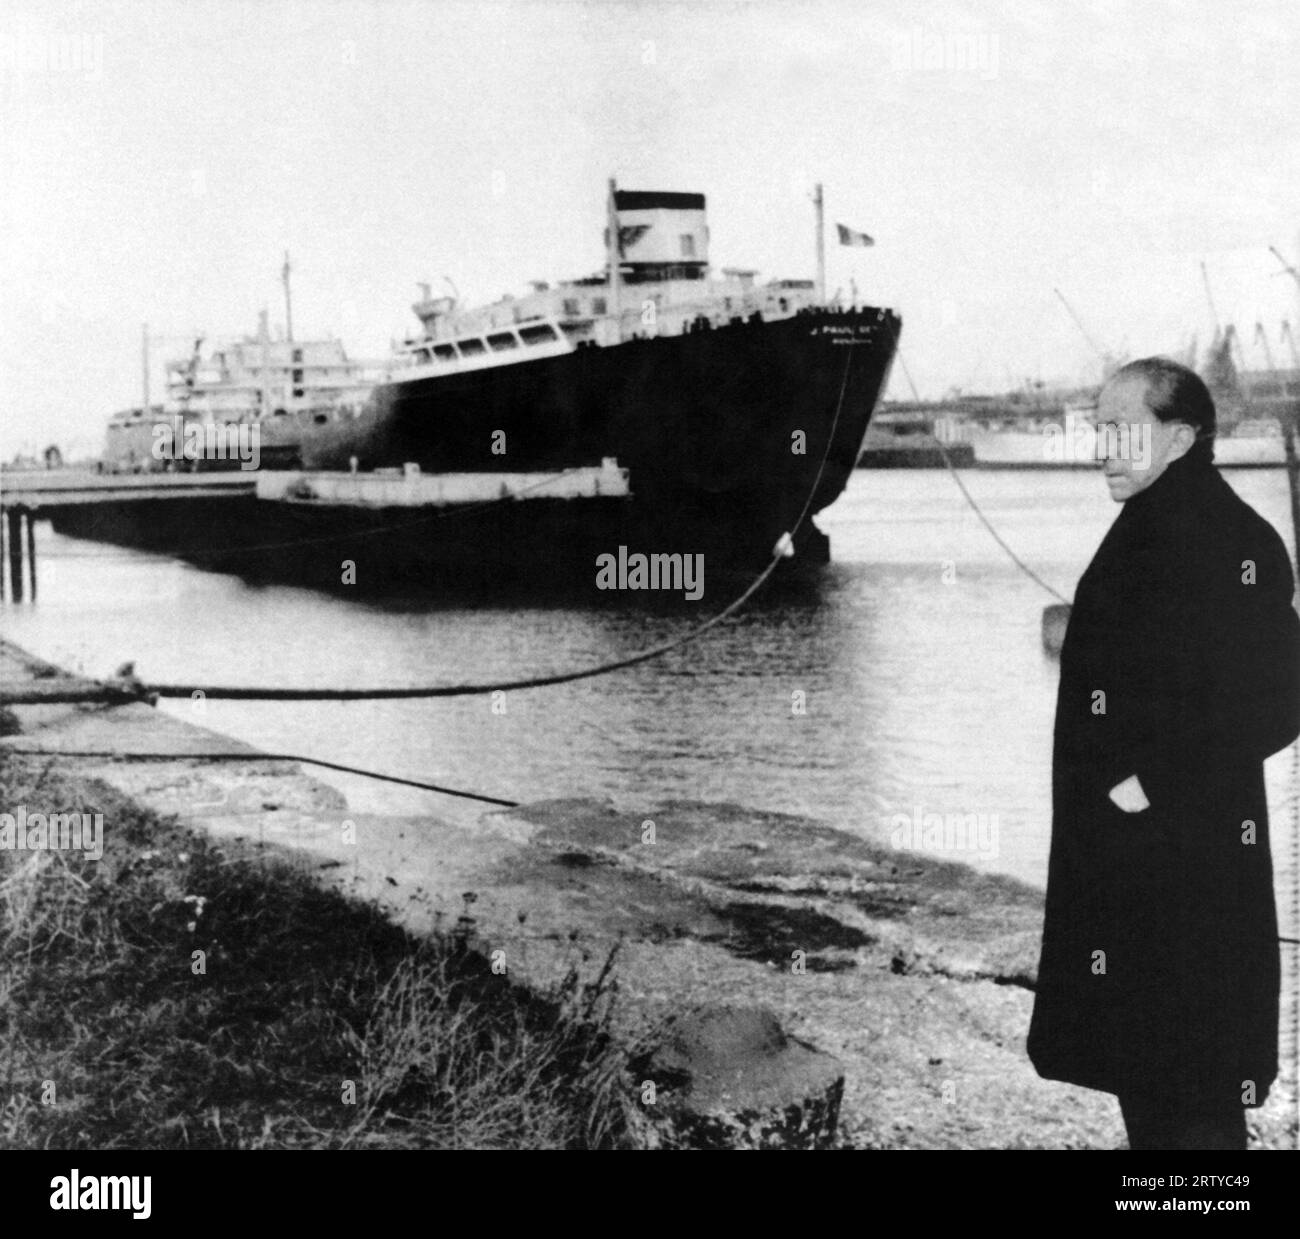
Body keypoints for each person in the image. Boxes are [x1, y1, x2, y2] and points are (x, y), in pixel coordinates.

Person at [1027, 357, 1300, 1150]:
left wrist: (1149, 782)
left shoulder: (1226, 539)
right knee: (1159, 1078)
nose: (1103, 449)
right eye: (1099, 430)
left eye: (1122, 430)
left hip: (1187, 869)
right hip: (1144, 865)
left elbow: (1279, 696)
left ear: (1179, 437)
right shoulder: (1160, 522)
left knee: (1190, 1086)